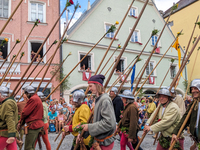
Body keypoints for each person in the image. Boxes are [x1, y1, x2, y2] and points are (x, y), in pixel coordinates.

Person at [77, 74, 116, 150]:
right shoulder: (99, 99)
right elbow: (96, 121)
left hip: (104, 143)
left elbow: (109, 123)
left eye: (91, 86)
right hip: (98, 141)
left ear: (97, 85)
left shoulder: (105, 100)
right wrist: (83, 133)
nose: (89, 89)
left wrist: (89, 127)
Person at [171, 79, 200, 150]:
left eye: (196, 88)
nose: (193, 91)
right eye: (192, 89)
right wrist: (176, 132)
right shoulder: (194, 103)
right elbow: (185, 119)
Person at [17, 85, 44, 150]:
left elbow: (25, 112)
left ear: (27, 93)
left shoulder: (33, 99)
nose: (26, 95)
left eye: (26, 94)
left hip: (33, 125)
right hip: (36, 124)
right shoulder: (36, 98)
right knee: (31, 146)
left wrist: (20, 122)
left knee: (28, 147)